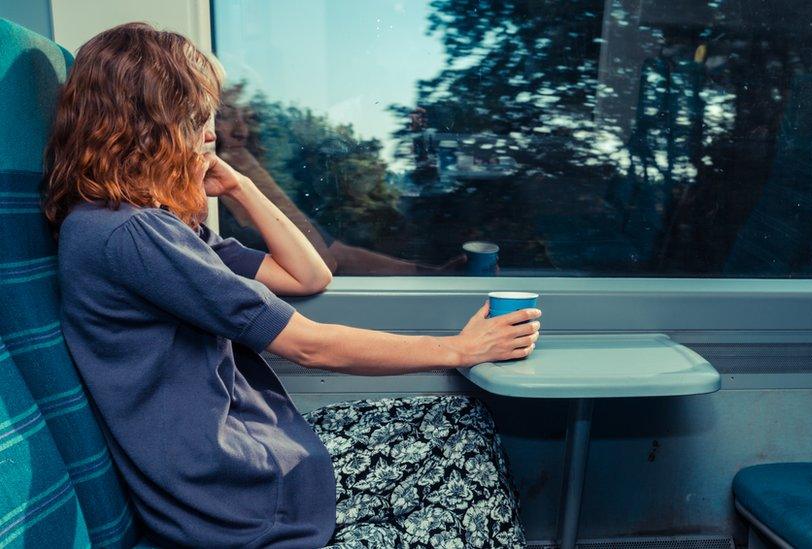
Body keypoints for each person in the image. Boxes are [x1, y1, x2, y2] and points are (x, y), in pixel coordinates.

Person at [43, 23, 539, 547]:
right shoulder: (134, 233)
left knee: (461, 419)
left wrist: (239, 184)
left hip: (248, 452)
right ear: (146, 125)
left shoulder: (149, 223)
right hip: (232, 492)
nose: (210, 135)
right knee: (463, 480)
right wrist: (461, 349)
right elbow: (308, 345)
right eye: (196, 119)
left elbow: (309, 274)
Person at [215, 96, 465, 275]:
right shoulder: (214, 211)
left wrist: (432, 272)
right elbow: (322, 263)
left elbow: (339, 254)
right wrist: (245, 173)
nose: (242, 131)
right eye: (226, 117)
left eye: (246, 119)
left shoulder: (249, 193)